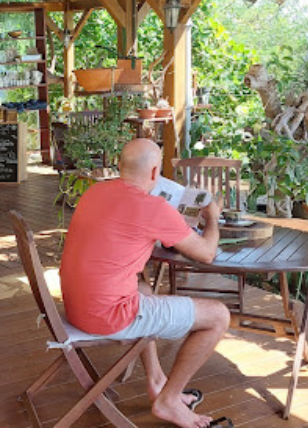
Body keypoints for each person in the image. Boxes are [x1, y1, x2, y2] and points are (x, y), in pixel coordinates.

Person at [60, 138, 230, 428]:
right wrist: (212, 218)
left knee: (144, 288)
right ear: (155, 173)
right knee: (218, 316)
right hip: (108, 316)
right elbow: (207, 253)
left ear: (119, 166)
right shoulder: (153, 208)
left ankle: (156, 381)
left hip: (75, 307)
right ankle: (168, 400)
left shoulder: (95, 192)